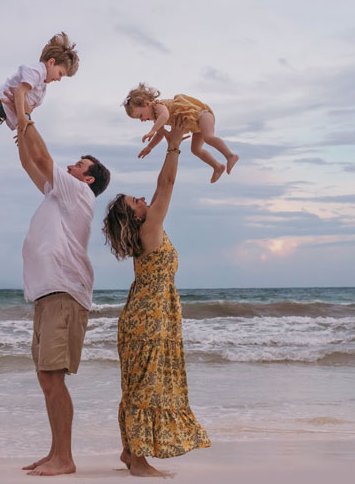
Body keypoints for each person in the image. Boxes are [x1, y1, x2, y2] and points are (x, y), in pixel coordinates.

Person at [102, 115, 211, 477]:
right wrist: (174, 143)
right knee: (144, 388)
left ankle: (128, 451)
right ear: (134, 217)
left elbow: (160, 189)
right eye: (137, 201)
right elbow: (166, 184)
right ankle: (137, 461)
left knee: (139, 385)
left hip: (148, 317)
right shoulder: (150, 229)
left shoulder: (145, 232)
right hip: (148, 319)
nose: (144, 199)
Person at [12, 111, 110, 476]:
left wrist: (25, 116)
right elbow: (30, 163)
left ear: (88, 177)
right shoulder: (59, 193)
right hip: (47, 293)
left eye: (79, 164)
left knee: (54, 377)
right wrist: (20, 130)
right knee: (46, 377)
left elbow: (42, 158)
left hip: (63, 291)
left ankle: (65, 459)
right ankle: (55, 453)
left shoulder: (79, 191)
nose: (71, 166)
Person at [123, 83, 238, 183]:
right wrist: (149, 147)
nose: (142, 120)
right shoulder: (156, 120)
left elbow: (165, 116)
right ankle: (217, 166)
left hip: (202, 115)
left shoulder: (158, 105)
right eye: (139, 119)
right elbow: (160, 134)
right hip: (196, 127)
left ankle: (230, 155)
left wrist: (152, 130)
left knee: (208, 137)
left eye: (140, 116)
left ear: (147, 104)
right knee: (195, 150)